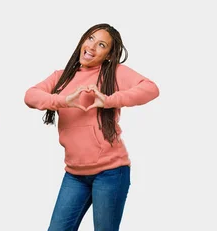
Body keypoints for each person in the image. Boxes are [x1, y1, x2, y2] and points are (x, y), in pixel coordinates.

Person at [24, 23, 159, 230]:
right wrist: (64, 100)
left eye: (102, 44)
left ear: (108, 55)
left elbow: (150, 89)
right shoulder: (61, 76)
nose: (92, 47)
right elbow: (30, 96)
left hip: (111, 172)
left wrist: (110, 100)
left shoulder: (114, 72)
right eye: (90, 39)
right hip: (74, 173)